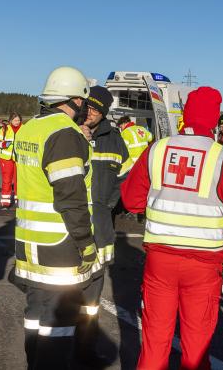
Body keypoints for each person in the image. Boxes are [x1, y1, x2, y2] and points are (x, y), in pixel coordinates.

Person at [121, 86, 223, 370]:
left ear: (186, 116)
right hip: (205, 264)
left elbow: (132, 201)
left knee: (154, 341)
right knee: (196, 347)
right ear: (214, 120)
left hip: (160, 259)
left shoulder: (157, 150)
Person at [13, 66, 98, 370]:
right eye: (84, 101)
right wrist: (87, 245)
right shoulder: (65, 134)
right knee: (59, 323)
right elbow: (71, 199)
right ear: (74, 100)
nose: (87, 108)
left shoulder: (30, 128)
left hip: (29, 241)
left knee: (36, 316)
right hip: (59, 245)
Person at [74, 86, 132, 364]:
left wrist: (107, 205)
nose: (89, 114)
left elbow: (126, 176)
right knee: (62, 297)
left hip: (99, 231)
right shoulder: (68, 130)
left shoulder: (114, 140)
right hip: (67, 230)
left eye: (96, 110)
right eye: (87, 107)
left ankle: (85, 350)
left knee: (90, 300)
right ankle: (57, 351)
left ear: (105, 113)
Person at [0, 112, 22, 208]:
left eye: (18, 120)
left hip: (19, 159)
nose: (17, 122)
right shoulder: (5, 129)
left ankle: (19, 201)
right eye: (15, 120)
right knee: (7, 180)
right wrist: (4, 144)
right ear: (10, 121)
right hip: (6, 159)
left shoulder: (24, 129)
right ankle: (5, 202)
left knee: (19, 180)